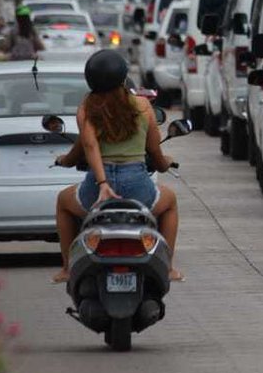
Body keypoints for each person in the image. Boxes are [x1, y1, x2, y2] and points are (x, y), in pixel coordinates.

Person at [52, 50, 183, 283]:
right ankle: (169, 268)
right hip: (138, 187)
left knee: (63, 201)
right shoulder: (143, 106)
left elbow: (88, 146)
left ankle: (67, 269)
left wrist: (102, 183)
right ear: (124, 79)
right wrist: (164, 164)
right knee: (170, 201)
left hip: (96, 188)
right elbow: (155, 152)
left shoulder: (86, 109)